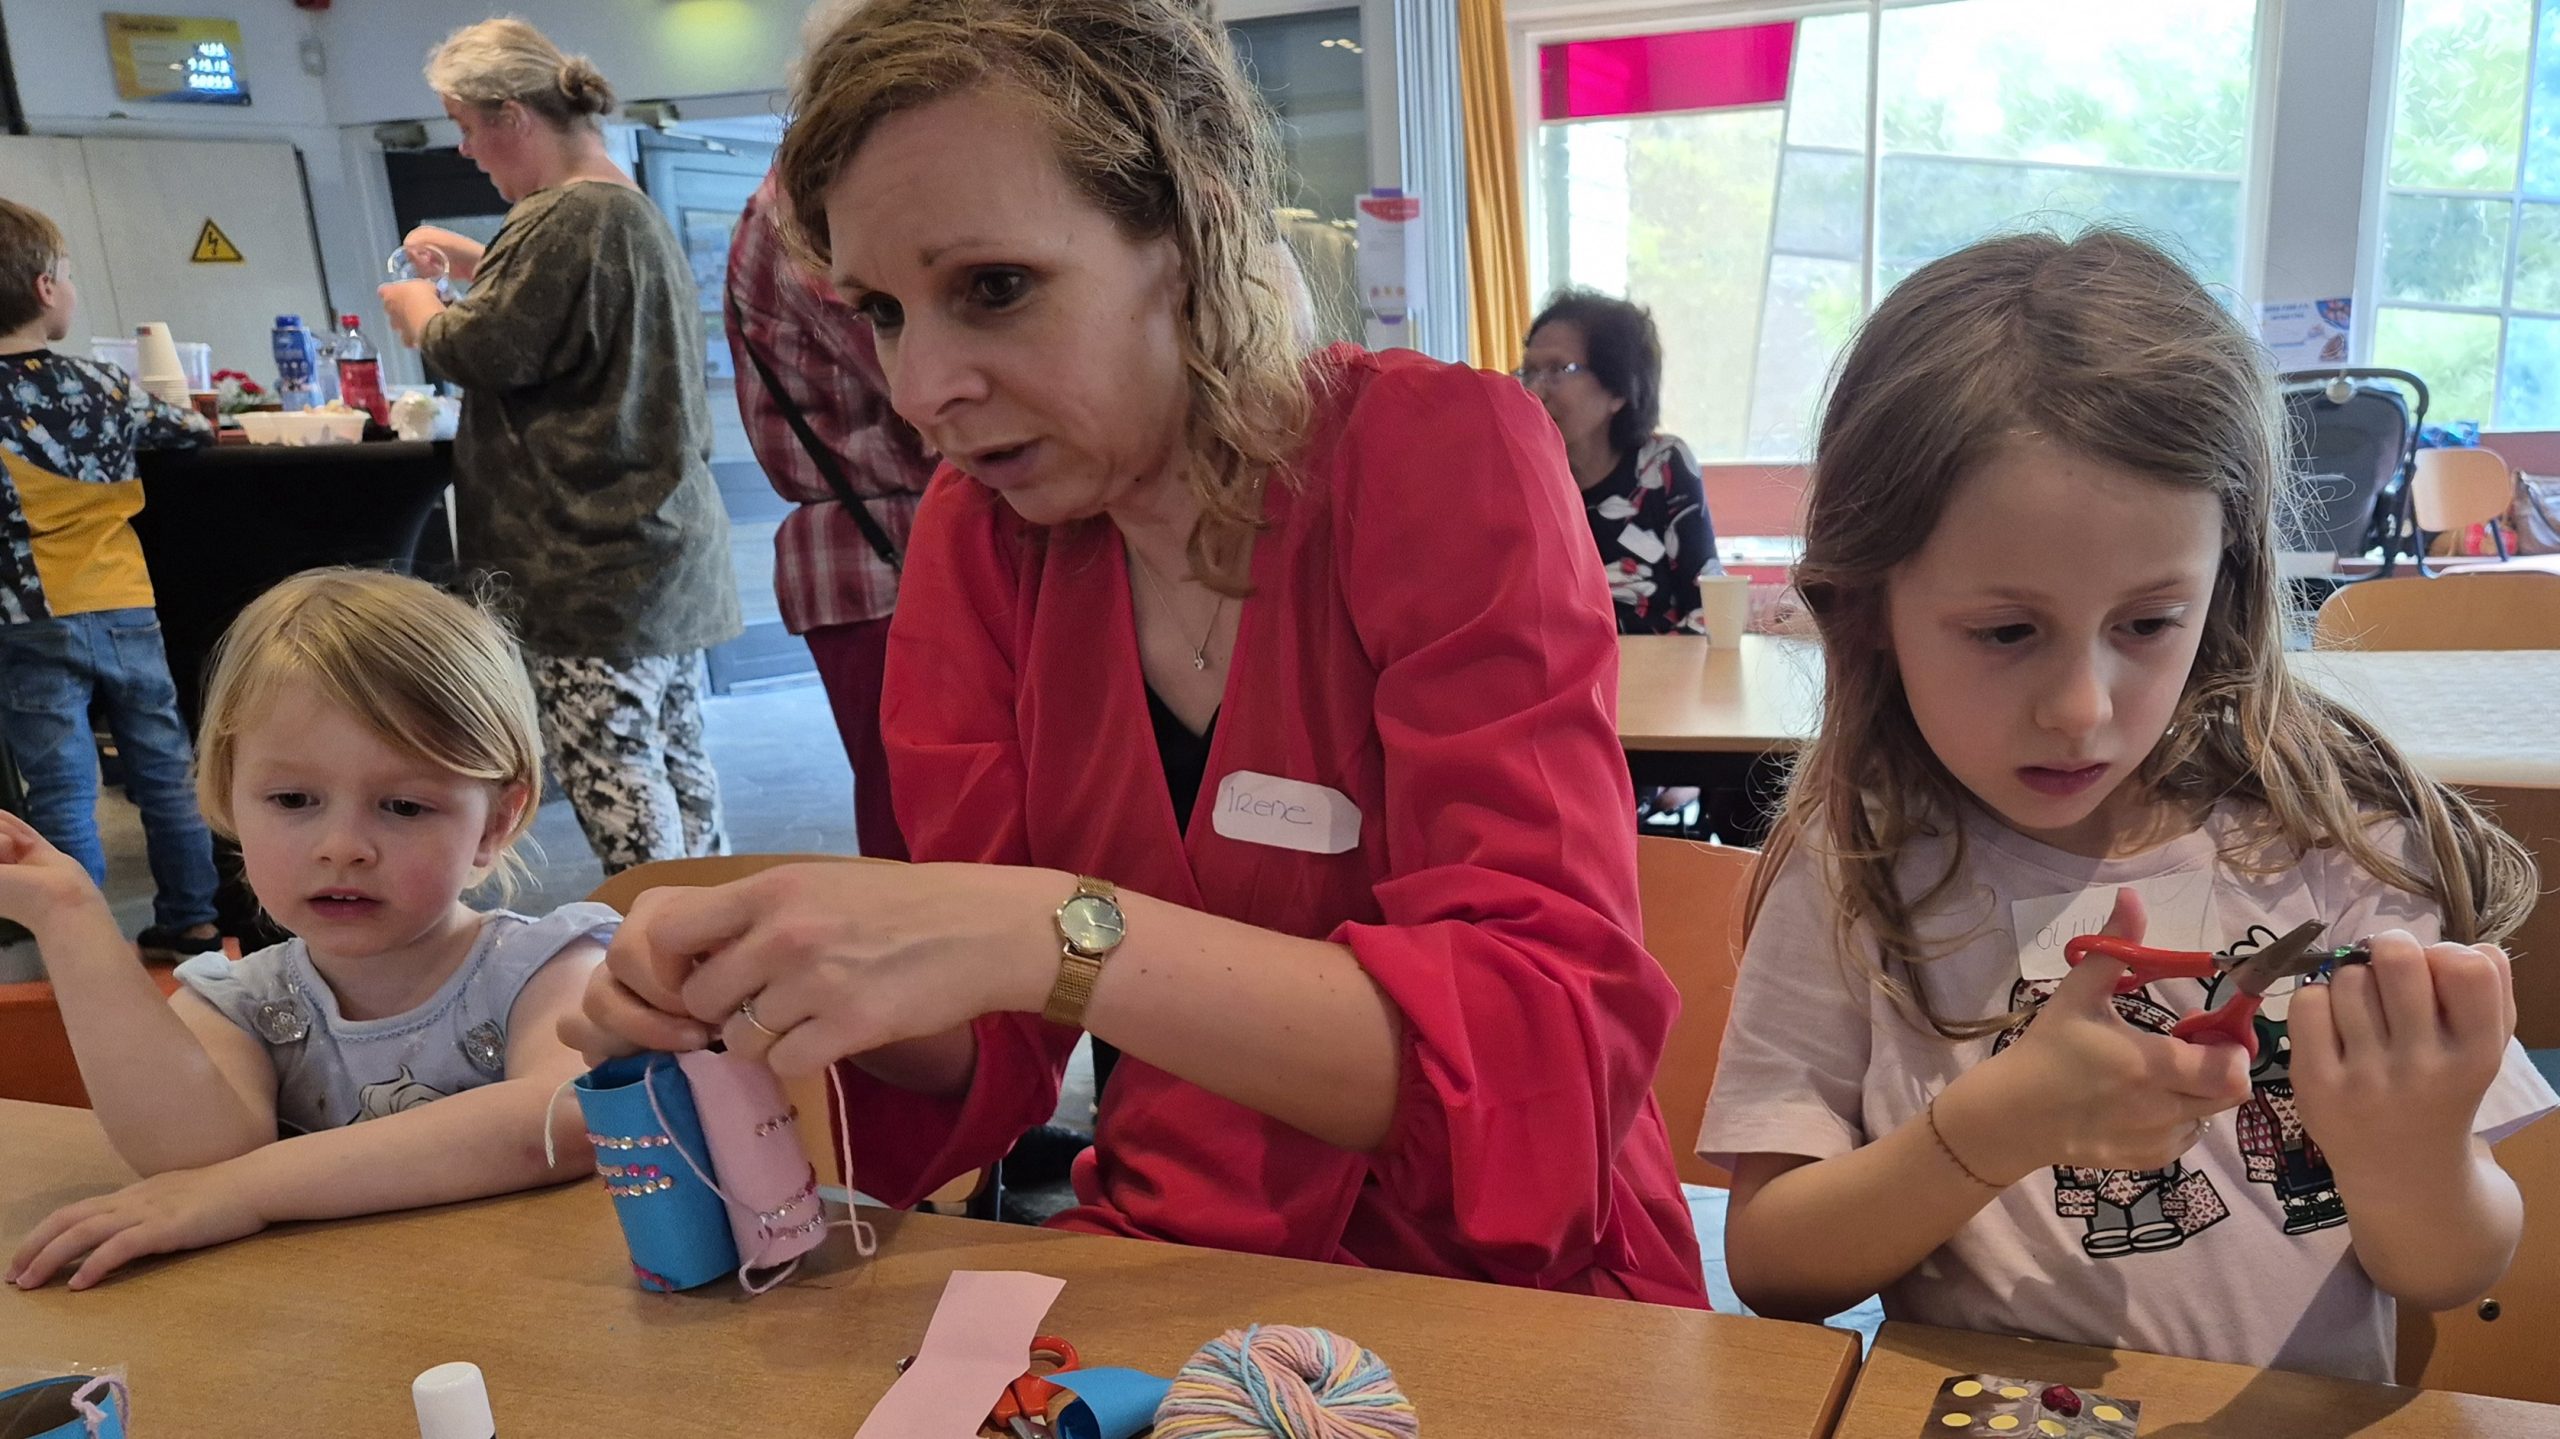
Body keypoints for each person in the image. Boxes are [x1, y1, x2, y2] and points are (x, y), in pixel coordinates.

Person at [567, 0, 1707, 1305]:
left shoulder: (1437, 458)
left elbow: (1535, 1049)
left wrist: (1052, 929)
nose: (922, 384)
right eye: (883, 310)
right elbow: (992, 1036)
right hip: (1176, 1255)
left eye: (993, 288)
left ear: (1192, 230)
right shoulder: (981, 540)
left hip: (1510, 1286)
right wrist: (781, 985)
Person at [1699, 229, 2554, 1381]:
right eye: (2006, 631)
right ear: (1865, 610)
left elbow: (2451, 1268)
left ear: (2228, 585)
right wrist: (1987, 1131)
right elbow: (1772, 1261)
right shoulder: (1853, 869)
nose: (2079, 707)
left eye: (2149, 621)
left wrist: (2408, 1155)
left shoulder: (2335, 842)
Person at [3, 568, 614, 1290]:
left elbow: (562, 1119)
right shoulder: (243, 1003)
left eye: (405, 806)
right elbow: (193, 1160)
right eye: (294, 798)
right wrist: (69, 916)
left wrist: (250, 1188)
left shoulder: (546, 967)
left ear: (498, 821)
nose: (343, 846)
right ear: (228, 793)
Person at [380, 18, 742, 877]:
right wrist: (481, 265)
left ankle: (660, 948)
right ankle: (716, 933)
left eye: (468, 128)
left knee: (614, 773)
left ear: (513, 115)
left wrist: (418, 311)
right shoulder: (619, 206)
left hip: (590, 568)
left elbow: (487, 350)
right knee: (678, 763)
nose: (468, 151)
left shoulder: (562, 217)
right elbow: (567, 324)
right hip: (654, 557)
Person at [0, 198, 222, 964]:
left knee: (61, 786)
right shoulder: (99, 383)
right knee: (165, 767)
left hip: (24, 614)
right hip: (124, 602)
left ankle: (82, 942)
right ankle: (194, 920)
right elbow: (189, 431)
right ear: (44, 289)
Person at [724, 173, 932, 862]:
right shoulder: (801, 214)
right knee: (914, 820)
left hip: (882, 544)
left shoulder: (805, 206)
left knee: (921, 809)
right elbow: (923, 389)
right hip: (883, 551)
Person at [1519, 290, 1720, 637]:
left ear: (1618, 390)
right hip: (1558, 687)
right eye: (1528, 371)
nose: (1534, 391)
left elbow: (1710, 610)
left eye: (1557, 370)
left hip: (1662, 683)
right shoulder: (1519, 476)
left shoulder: (1662, 467)